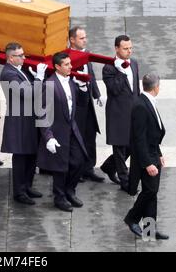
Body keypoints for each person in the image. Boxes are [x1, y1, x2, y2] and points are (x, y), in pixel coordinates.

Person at [37, 52, 89, 212]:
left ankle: (70, 191)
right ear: (57, 67)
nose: (71, 67)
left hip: (72, 129)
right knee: (60, 167)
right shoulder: (50, 84)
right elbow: (41, 113)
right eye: (66, 64)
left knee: (79, 160)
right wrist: (48, 137)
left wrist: (82, 88)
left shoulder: (71, 83)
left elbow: (79, 104)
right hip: (57, 131)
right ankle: (59, 197)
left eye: (70, 63)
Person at [0, 42, 45, 205]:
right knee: (20, 158)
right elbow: (27, 94)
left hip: (28, 119)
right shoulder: (8, 74)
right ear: (11, 58)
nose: (24, 58)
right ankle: (19, 192)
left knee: (31, 154)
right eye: (20, 55)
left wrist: (34, 78)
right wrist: (39, 78)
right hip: (19, 121)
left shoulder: (19, 71)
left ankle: (27, 185)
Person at [124, 73, 168, 240]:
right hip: (147, 158)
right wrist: (148, 163)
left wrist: (159, 154)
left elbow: (152, 133)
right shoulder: (141, 106)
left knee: (152, 193)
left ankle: (150, 230)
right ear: (156, 87)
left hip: (153, 154)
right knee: (150, 191)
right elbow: (139, 138)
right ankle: (132, 218)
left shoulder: (146, 101)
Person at [100, 35, 140, 192]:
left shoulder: (134, 63)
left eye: (130, 48)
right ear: (117, 48)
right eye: (125, 48)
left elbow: (136, 89)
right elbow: (114, 90)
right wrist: (121, 71)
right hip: (117, 114)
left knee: (132, 145)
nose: (129, 51)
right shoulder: (109, 68)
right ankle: (125, 181)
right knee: (120, 147)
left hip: (133, 112)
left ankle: (109, 166)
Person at [68, 26, 104, 182]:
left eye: (85, 37)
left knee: (90, 134)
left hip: (87, 102)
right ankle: (77, 169)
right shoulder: (66, 56)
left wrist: (97, 94)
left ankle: (89, 168)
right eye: (81, 38)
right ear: (72, 40)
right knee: (77, 137)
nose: (85, 40)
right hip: (76, 103)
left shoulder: (85, 55)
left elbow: (92, 76)